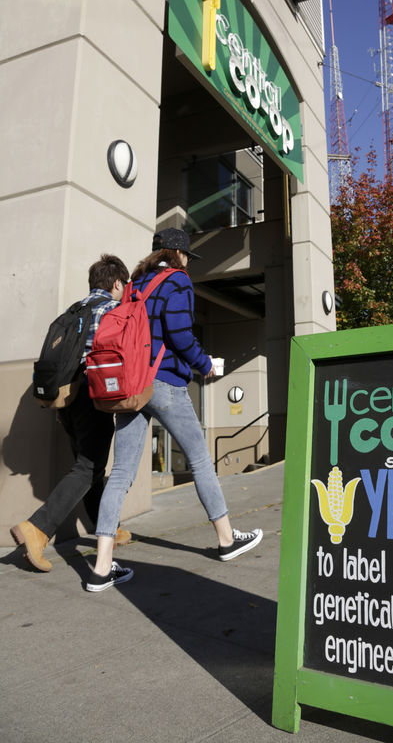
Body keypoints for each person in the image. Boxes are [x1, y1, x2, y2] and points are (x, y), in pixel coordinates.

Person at [86, 228, 262, 592]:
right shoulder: (177, 280)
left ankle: (101, 567)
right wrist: (205, 365)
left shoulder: (135, 283)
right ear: (179, 255)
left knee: (119, 473)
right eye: (187, 258)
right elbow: (180, 334)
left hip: (133, 386)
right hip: (164, 384)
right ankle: (227, 540)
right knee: (199, 460)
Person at [11, 254, 132, 572]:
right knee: (88, 468)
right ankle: (37, 529)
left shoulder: (73, 310)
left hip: (65, 402)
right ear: (117, 283)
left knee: (90, 469)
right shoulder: (113, 309)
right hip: (93, 396)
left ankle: (109, 527)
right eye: (124, 285)